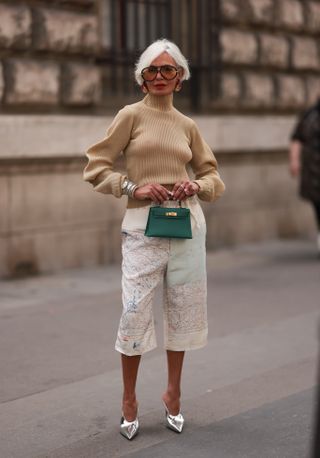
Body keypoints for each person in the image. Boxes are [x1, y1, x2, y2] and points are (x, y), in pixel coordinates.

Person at [83, 39, 225, 440]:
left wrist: (195, 184)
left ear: (180, 78)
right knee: (133, 313)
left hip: (187, 227)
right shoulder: (129, 116)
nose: (159, 76)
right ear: (141, 79)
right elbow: (95, 168)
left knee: (183, 311)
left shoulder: (188, 126)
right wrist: (132, 186)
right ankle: (129, 398)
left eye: (168, 70)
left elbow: (215, 179)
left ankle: (173, 392)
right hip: (142, 229)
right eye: (152, 70)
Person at [289, 99, 320, 254]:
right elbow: (297, 138)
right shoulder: (309, 114)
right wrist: (294, 161)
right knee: (317, 204)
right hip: (312, 171)